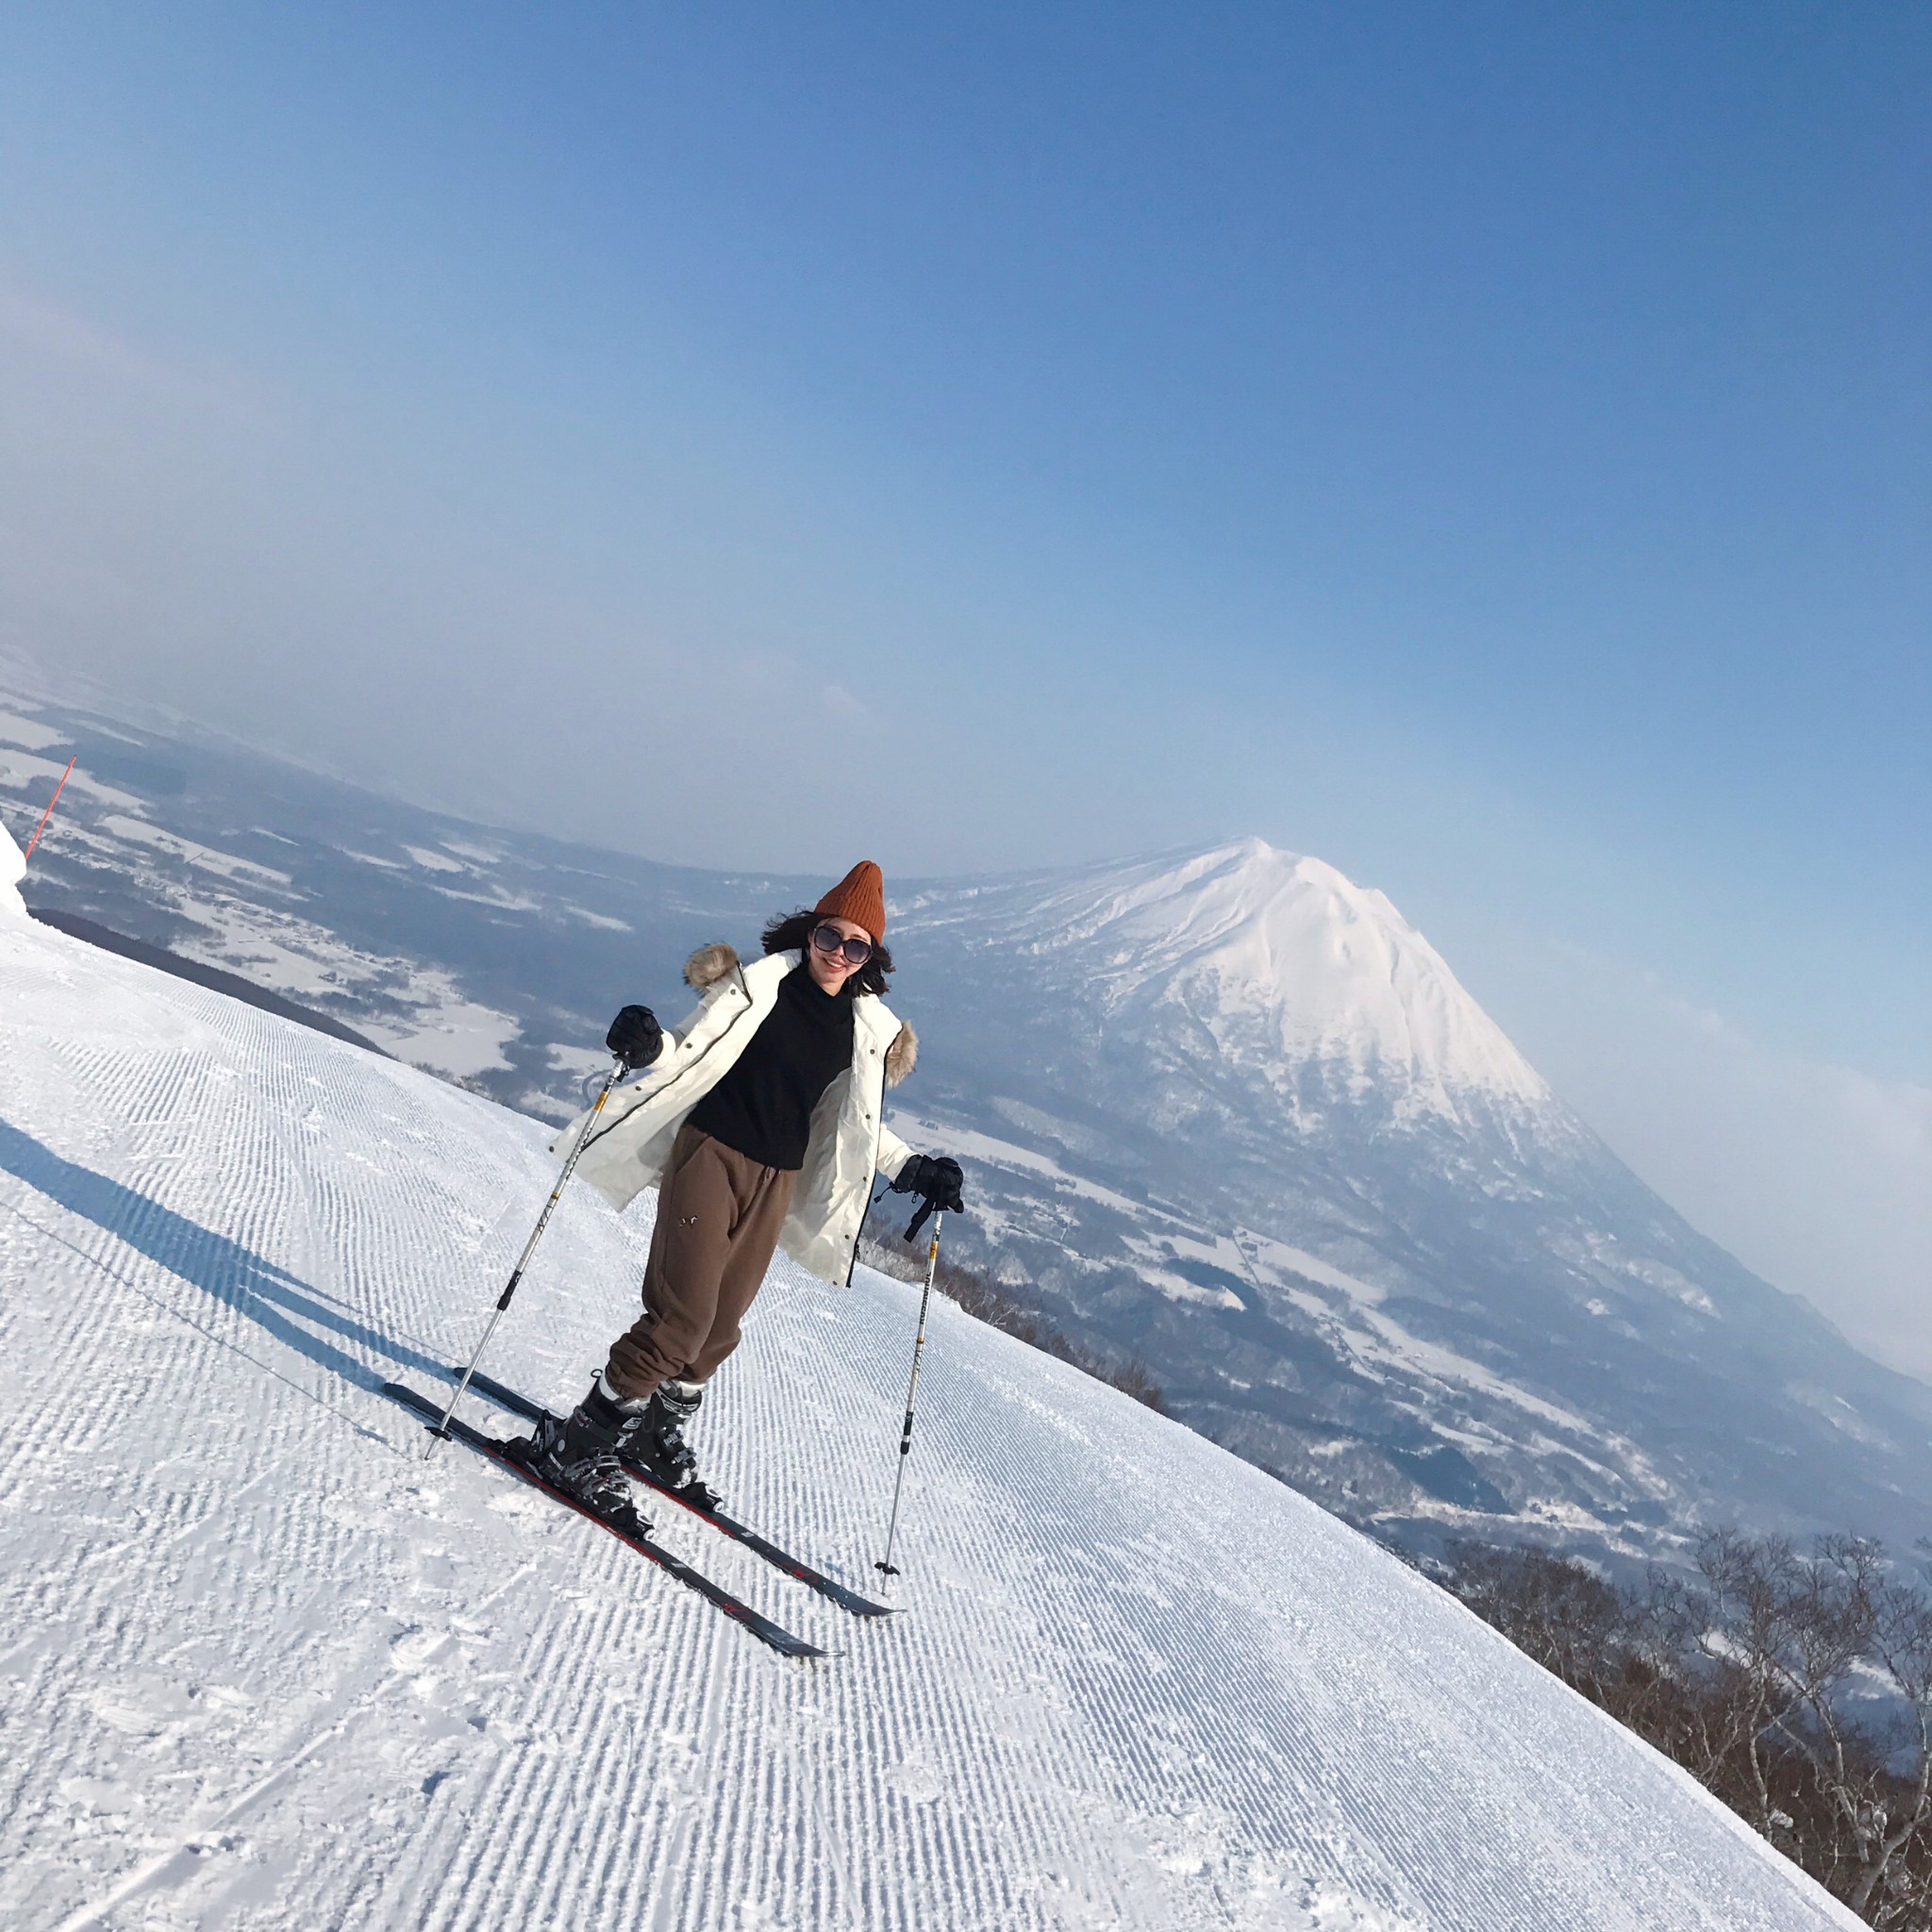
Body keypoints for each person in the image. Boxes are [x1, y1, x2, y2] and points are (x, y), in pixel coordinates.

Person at [514, 860, 965, 1521]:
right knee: (681, 1319)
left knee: (719, 1328)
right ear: (809, 933)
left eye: (855, 945)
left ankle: (653, 1432)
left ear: (872, 955)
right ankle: (580, 1442)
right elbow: (687, 1050)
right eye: (829, 938)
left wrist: (913, 1168)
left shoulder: (869, 1030)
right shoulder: (757, 986)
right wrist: (647, 1046)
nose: (839, 954)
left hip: (776, 1179)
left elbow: (858, 1124)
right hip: (712, 1155)